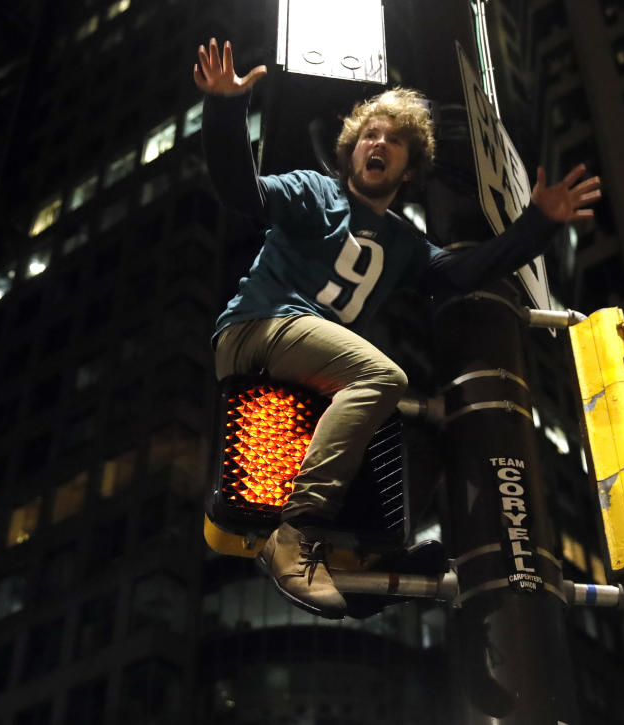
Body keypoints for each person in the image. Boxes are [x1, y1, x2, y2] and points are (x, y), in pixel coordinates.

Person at [193, 38, 602, 619]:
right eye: (369, 136)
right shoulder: (316, 192)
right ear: (351, 151)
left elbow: (466, 272)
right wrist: (224, 108)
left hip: (311, 373)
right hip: (257, 332)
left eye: (395, 140)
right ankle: (297, 535)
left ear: (408, 167)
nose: (379, 143)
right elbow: (242, 191)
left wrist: (538, 223)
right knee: (382, 378)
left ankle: (368, 563)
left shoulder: (407, 247)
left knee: (395, 441)